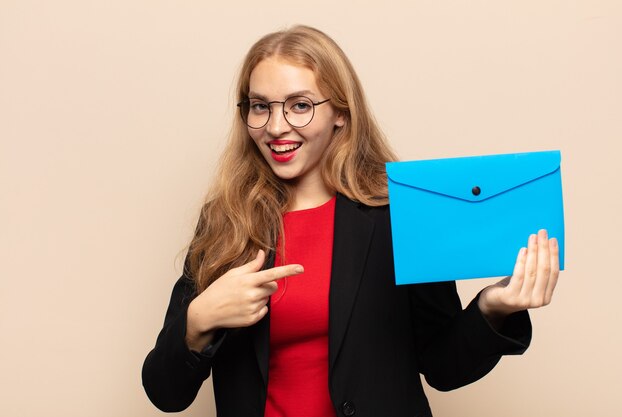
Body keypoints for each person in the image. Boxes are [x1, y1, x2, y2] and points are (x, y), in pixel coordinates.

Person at [142, 25, 559, 417]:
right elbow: (166, 393)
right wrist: (198, 321)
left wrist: (492, 307)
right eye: (260, 107)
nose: (275, 126)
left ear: (340, 113)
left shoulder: (398, 213)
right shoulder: (226, 219)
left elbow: (443, 368)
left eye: (300, 105)